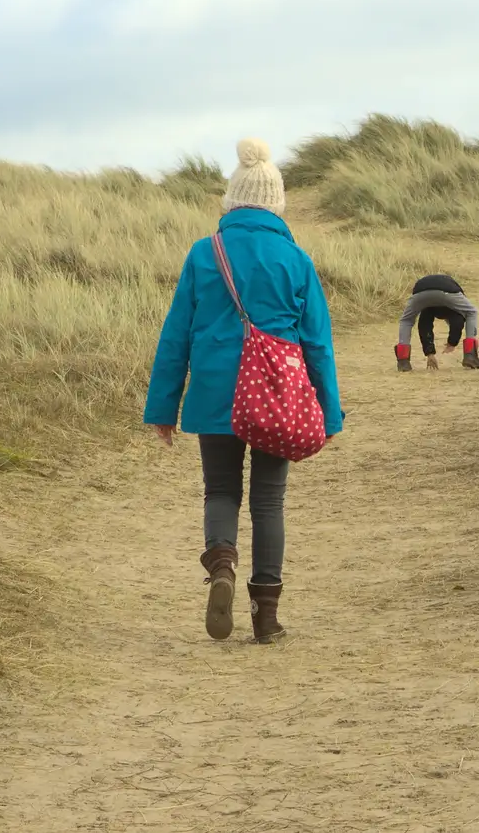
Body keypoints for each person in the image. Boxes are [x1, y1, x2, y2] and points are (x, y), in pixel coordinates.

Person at [144, 138, 343, 645]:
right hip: (278, 393)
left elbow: (176, 334)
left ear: (231, 200)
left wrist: (163, 406)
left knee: (221, 490)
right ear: (277, 204)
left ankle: (223, 565)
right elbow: (317, 342)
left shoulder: (203, 252)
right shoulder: (296, 259)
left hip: (216, 391)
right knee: (269, 502)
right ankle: (267, 617)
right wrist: (330, 413)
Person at [393, 273, 479, 372]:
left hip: (420, 292)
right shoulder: (455, 307)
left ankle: (403, 361)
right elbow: (457, 321)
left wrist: (430, 353)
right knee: (471, 312)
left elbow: (424, 326)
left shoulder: (428, 309)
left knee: (406, 320)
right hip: (447, 290)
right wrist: (452, 342)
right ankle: (470, 355)